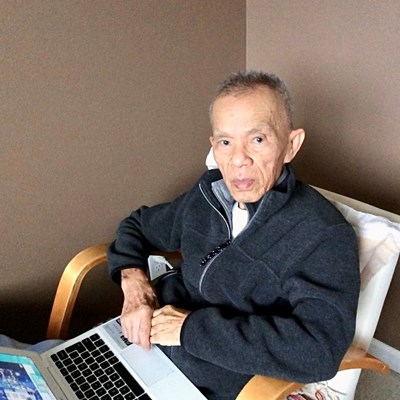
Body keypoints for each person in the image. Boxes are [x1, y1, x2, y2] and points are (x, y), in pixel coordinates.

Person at [107, 71, 360, 400]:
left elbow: (318, 351)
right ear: (214, 146)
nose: (238, 159)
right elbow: (137, 226)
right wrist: (134, 286)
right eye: (225, 142)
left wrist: (189, 330)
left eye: (257, 140)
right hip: (141, 342)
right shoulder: (207, 193)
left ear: (291, 145)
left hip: (206, 382)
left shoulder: (322, 234)